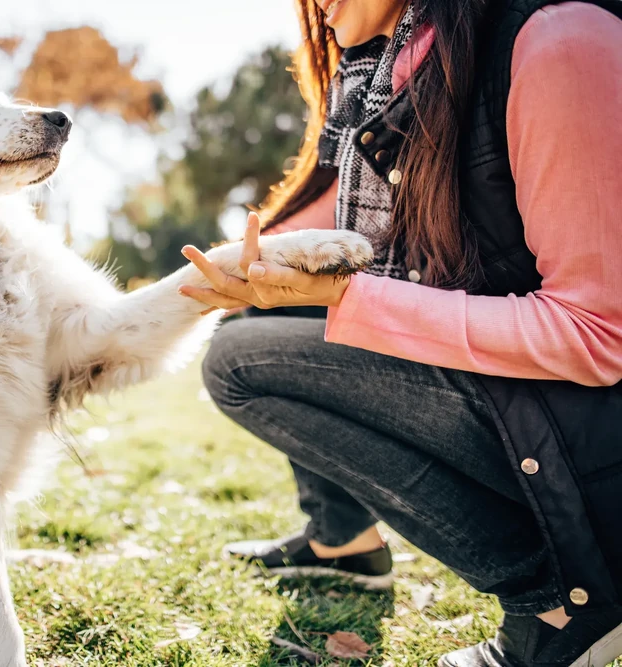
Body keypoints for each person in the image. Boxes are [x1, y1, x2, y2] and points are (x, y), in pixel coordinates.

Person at [177, 1, 622, 665]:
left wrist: (353, 298)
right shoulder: (389, 77)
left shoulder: (558, 38)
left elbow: (600, 334)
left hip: (590, 428)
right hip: (532, 404)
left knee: (240, 361)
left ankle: (565, 598)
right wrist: (243, 270)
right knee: (265, 311)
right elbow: (314, 227)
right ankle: (343, 539)